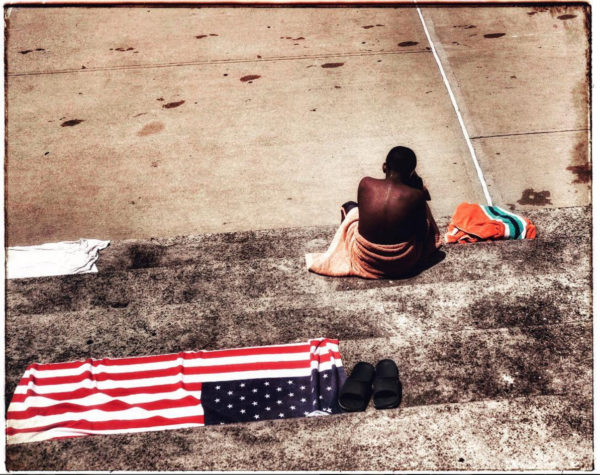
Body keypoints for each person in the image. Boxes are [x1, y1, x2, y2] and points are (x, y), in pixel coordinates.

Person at [305, 146, 441, 279]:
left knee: (350, 207)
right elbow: (422, 234)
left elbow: (363, 214)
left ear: (384, 167)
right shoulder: (416, 196)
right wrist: (418, 192)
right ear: (412, 173)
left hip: (366, 259)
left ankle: (345, 248)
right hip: (402, 262)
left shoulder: (366, 184)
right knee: (422, 213)